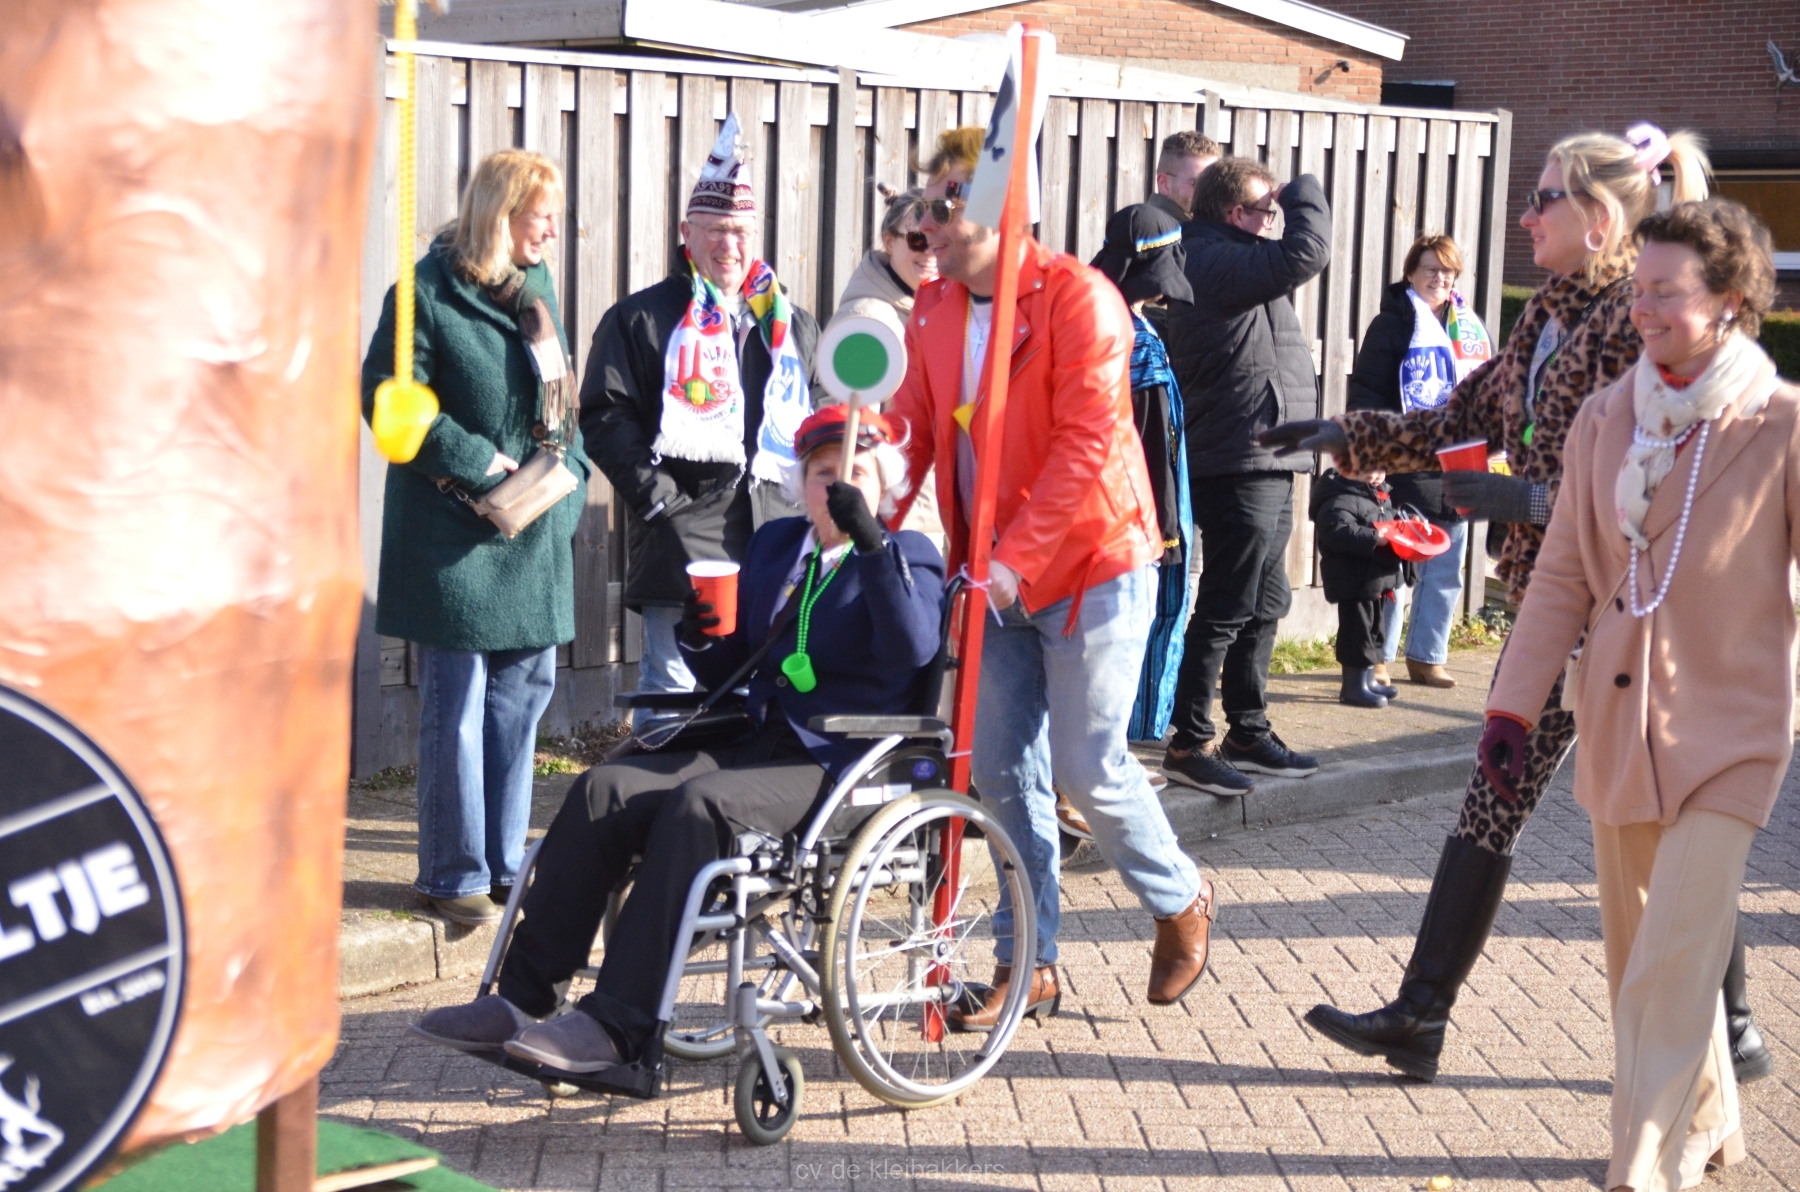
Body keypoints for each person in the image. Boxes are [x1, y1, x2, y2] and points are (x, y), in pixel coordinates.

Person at [1262, 125, 1771, 1088]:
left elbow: (1664, 482)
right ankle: (1423, 1015)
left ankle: (1731, 1026)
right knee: (1499, 797)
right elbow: (1459, 416)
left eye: (1543, 199)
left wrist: (1529, 500)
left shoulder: (1638, 321)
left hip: (1631, 611)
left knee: (1664, 810)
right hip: (1552, 605)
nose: (1526, 217)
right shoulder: (1545, 314)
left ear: (1599, 216)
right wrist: (1344, 435)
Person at [409, 406, 945, 1073]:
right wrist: (703, 637)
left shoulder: (908, 555)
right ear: (800, 484)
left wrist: (869, 545)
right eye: (822, 473)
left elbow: (911, 646)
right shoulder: (779, 546)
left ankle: (618, 1025)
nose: (837, 486)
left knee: (701, 805)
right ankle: (522, 998)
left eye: (855, 473)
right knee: (604, 789)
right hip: (758, 736)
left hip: (841, 761)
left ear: (883, 483)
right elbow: (735, 672)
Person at [1480, 198, 1786, 1190]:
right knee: (1639, 954)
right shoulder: (1607, 418)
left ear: (1729, 300)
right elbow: (1563, 574)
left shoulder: (1782, 425)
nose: (1641, 308)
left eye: (1666, 291)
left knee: (1670, 959)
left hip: (1734, 727)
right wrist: (1511, 708)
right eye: (1638, 288)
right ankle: (1708, 1116)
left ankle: (1643, 1165)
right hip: (1619, 720)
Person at [891, 128, 1215, 1029]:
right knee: (1002, 776)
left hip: (1091, 564)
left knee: (1087, 764)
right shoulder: (934, 309)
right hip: (990, 577)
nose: (930, 221)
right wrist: (860, 507)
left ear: (1007, 207)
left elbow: (1086, 447)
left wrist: (1013, 562)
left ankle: (1179, 894)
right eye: (927, 203)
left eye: (950, 201)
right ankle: (1027, 961)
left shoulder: (1081, 300)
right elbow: (910, 432)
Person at [360, 150, 590, 927]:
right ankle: (452, 873)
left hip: (532, 531)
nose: (552, 231)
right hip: (452, 541)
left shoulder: (536, 289)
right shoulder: (423, 294)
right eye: (541, 216)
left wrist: (568, 481)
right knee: (456, 709)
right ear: (500, 214)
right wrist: (476, 460)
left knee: (520, 707)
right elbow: (387, 399)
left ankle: (502, 866)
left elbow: (562, 401)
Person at [580, 113, 820, 711]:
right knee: (673, 694)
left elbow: (821, 422)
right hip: (682, 544)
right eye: (714, 230)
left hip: (776, 541)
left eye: (739, 231)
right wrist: (661, 503)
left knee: (761, 697)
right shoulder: (639, 319)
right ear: (686, 232)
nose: (727, 245)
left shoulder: (793, 327)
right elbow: (605, 417)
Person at [1160, 157, 1330, 796]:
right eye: (1267, 210)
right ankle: (1188, 741)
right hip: (1238, 455)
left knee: (1265, 599)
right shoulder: (1209, 259)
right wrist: (1303, 190)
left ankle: (1247, 731)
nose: (1274, 221)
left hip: (1268, 452)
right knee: (1227, 604)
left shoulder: (1235, 258)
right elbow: (1308, 252)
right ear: (1237, 214)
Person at [1345, 233, 1493, 690]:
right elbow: (1367, 391)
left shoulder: (1467, 329)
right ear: (1410, 273)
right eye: (1431, 269)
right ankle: (1380, 657)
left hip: (1457, 456)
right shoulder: (1391, 325)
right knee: (1396, 564)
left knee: (1448, 562)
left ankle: (1428, 657)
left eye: (1447, 271)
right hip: (1404, 456)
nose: (1439, 278)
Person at [1087, 203, 1195, 744]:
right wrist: (1167, 531)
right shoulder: (1138, 344)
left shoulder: (1088, 319)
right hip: (1133, 517)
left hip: (1095, 511)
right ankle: (1117, 751)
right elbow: (1154, 444)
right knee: (1128, 636)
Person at [828, 186, 944, 552]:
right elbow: (850, 441)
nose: (929, 253)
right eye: (917, 240)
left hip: (936, 521)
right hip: (896, 526)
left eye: (937, 240)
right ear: (889, 241)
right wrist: (865, 531)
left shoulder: (936, 311)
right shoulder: (868, 322)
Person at [1309, 467, 1404, 708]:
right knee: (1357, 633)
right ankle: (1353, 687)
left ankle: (1369, 680)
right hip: (1352, 579)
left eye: (1382, 468)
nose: (1379, 475)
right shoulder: (1339, 496)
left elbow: (1388, 521)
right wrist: (1375, 538)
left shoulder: (1378, 494)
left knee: (1374, 630)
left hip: (1375, 578)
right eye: (1371, 469)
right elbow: (1337, 531)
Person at [1149, 129, 1221, 224]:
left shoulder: (1198, 224)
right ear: (1164, 184)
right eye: (1199, 183)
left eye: (1215, 183)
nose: (1210, 192)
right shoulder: (1154, 228)